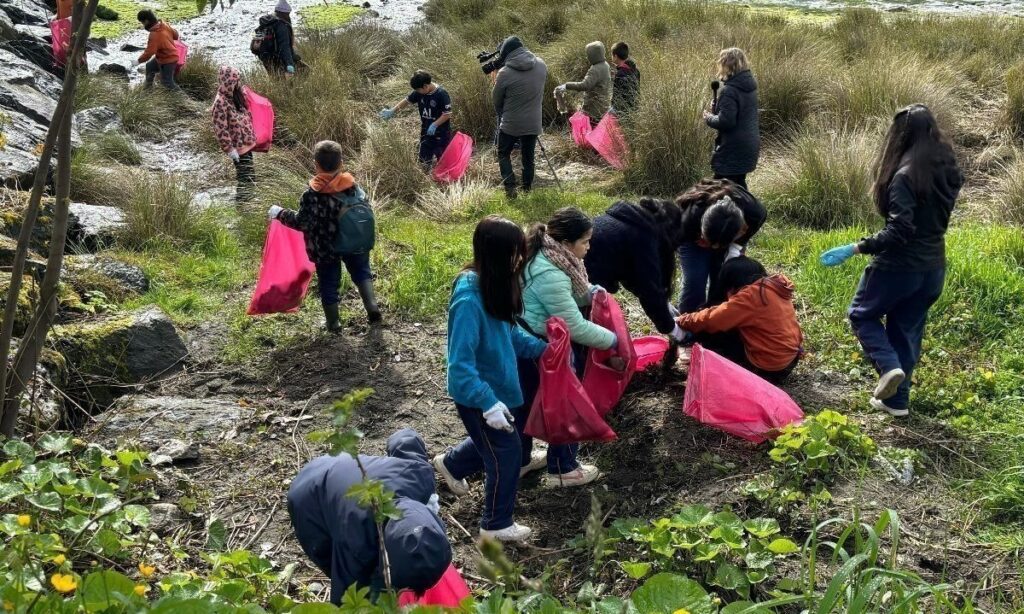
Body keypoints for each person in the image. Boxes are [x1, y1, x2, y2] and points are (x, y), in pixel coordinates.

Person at [820, 103, 962, 418]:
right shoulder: (948, 169)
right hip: (933, 268)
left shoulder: (904, 175)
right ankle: (897, 403)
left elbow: (900, 230)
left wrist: (858, 247)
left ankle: (888, 367)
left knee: (861, 315)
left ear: (899, 136)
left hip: (899, 267)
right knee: (906, 330)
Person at [433, 216, 547, 543]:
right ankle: (495, 525)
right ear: (496, 254)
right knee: (507, 453)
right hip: (478, 396)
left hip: (498, 389)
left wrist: (541, 349)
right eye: (514, 254)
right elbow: (459, 366)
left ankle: (451, 465)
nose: (519, 261)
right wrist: (487, 403)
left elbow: (507, 332)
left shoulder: (493, 285)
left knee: (493, 444)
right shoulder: (469, 300)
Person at [288, 428, 451, 605]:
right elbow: (346, 596)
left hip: (340, 465)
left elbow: (405, 438)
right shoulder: (357, 542)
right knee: (340, 566)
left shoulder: (421, 475)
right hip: (306, 497)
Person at [520, 208, 614, 487]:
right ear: (565, 244)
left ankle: (523, 459)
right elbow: (575, 327)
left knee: (524, 406)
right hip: (542, 346)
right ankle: (562, 468)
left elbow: (574, 293)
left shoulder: (551, 258)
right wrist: (614, 341)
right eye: (585, 241)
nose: (589, 247)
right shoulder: (551, 272)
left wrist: (591, 292)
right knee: (567, 402)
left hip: (529, 342)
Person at [268, 140, 382, 330]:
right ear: (341, 163)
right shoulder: (353, 186)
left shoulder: (312, 195)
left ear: (316, 164)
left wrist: (280, 213)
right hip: (355, 241)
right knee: (362, 272)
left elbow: (302, 223)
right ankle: (372, 307)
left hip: (325, 247)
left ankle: (333, 323)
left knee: (329, 282)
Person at [676, 256, 802, 383]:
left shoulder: (751, 296)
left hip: (768, 368)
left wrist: (682, 320)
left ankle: (717, 373)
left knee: (713, 331)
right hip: (789, 361)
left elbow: (712, 319)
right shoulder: (773, 288)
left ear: (732, 282)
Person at [584, 198, 686, 344]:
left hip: (581, 277)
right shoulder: (643, 237)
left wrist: (665, 306)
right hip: (581, 285)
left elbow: (633, 276)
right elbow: (649, 291)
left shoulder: (628, 221)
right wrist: (676, 332)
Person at [675, 178, 767, 314]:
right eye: (712, 244)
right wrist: (698, 238)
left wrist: (734, 250)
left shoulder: (754, 213)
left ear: (742, 228)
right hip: (692, 237)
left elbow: (746, 233)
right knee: (695, 280)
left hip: (728, 233)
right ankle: (688, 322)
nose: (715, 248)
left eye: (720, 245)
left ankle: (716, 318)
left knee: (723, 278)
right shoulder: (688, 219)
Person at [492, 36, 547, 199]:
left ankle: (510, 190)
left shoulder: (504, 72)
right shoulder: (542, 65)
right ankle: (527, 189)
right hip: (534, 121)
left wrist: (503, 114)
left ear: (507, 54)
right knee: (528, 158)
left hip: (511, 123)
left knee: (503, 153)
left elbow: (496, 100)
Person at [704, 48, 759, 188]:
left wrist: (709, 117)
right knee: (738, 186)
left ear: (727, 65)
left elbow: (726, 121)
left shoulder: (729, 90)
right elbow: (741, 112)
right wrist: (720, 106)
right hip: (749, 145)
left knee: (719, 189)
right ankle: (748, 209)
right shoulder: (750, 86)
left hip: (733, 148)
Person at [379, 70, 453, 165]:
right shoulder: (419, 92)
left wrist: (435, 124)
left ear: (425, 86)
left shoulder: (441, 94)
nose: (417, 92)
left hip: (441, 133)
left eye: (418, 90)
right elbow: (407, 101)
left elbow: (447, 114)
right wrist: (392, 111)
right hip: (426, 131)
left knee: (443, 160)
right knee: (424, 161)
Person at [211, 66, 257, 203]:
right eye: (236, 80)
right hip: (238, 148)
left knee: (250, 175)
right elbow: (221, 128)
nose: (238, 83)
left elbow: (246, 114)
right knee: (245, 178)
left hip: (245, 145)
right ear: (229, 82)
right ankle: (242, 205)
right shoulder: (220, 102)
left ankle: (248, 202)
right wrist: (229, 149)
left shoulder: (236, 96)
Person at [555, 41, 612, 126]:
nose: (587, 57)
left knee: (591, 131)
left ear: (593, 55)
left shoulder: (595, 69)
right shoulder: (605, 65)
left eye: (588, 54)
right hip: (603, 106)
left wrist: (566, 85)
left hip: (594, 109)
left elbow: (584, 85)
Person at [254, 0, 300, 77]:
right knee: (305, 72)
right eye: (288, 14)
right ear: (285, 13)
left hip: (265, 57)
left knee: (274, 79)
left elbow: (255, 46)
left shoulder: (266, 22)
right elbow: (285, 47)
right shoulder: (282, 26)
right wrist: (289, 64)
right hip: (277, 59)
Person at [136, 10, 180, 91]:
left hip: (168, 60)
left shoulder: (154, 35)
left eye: (142, 23)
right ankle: (147, 90)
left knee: (167, 82)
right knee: (149, 66)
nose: (143, 25)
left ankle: (184, 99)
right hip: (166, 56)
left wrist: (138, 61)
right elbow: (176, 35)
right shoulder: (164, 24)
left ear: (146, 21)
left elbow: (149, 53)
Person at [610, 41, 640, 116]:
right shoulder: (635, 70)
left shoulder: (620, 74)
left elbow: (616, 97)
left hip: (622, 111)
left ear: (615, 56)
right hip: (635, 107)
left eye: (612, 55)